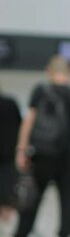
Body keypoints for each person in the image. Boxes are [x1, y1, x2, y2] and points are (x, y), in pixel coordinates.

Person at [7, 56, 70, 237]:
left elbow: (29, 120)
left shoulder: (41, 90)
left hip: (42, 154)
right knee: (68, 198)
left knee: (32, 197)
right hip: (68, 155)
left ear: (49, 71)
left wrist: (21, 149)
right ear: (69, 72)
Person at [0, 89, 22, 222]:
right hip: (9, 149)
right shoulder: (11, 103)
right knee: (8, 183)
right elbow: (20, 124)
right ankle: (6, 215)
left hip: (8, 149)